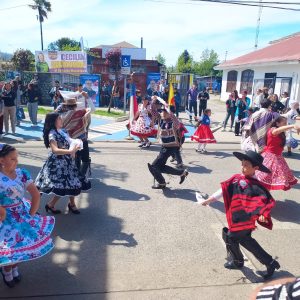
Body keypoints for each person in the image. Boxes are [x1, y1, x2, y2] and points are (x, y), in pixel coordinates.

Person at [200, 150, 280, 280]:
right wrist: (209, 200)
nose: (243, 168)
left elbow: (264, 200)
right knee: (246, 241)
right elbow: (223, 190)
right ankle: (270, 263)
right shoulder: (237, 178)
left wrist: (262, 214)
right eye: (242, 164)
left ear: (256, 168)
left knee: (231, 238)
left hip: (245, 221)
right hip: (236, 218)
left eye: (246, 165)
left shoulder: (256, 186)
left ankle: (238, 262)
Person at [0, 144, 54, 287]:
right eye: (12, 159)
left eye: (16, 158)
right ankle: (7, 270)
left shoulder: (22, 174)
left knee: (23, 242)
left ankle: (14, 266)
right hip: (4, 218)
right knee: (10, 248)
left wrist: (31, 215)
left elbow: (35, 194)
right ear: (1, 160)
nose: (16, 161)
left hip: (21, 213)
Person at [35, 113, 89, 215]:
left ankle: (58, 205)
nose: (61, 119)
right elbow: (55, 150)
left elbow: (69, 143)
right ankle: (32, 208)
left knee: (70, 184)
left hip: (67, 162)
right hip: (55, 164)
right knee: (46, 186)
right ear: (53, 121)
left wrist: (74, 149)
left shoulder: (63, 131)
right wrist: (70, 151)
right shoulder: (52, 133)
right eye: (59, 118)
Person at [147, 102, 188, 189]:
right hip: (164, 146)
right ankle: (181, 173)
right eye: (162, 112)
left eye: (165, 112)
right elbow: (152, 111)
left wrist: (170, 112)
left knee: (154, 166)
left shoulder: (174, 122)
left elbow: (177, 123)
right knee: (159, 167)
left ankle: (162, 183)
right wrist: (153, 102)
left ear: (170, 113)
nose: (163, 113)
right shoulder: (162, 120)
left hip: (171, 147)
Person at [255, 116, 299, 191]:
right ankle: (260, 195)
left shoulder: (281, 133)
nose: (285, 125)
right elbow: (277, 130)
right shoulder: (273, 130)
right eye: (284, 123)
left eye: (286, 123)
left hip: (277, 157)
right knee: (264, 178)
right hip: (270, 157)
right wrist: (292, 126)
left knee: (270, 179)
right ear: (277, 123)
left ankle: (264, 195)